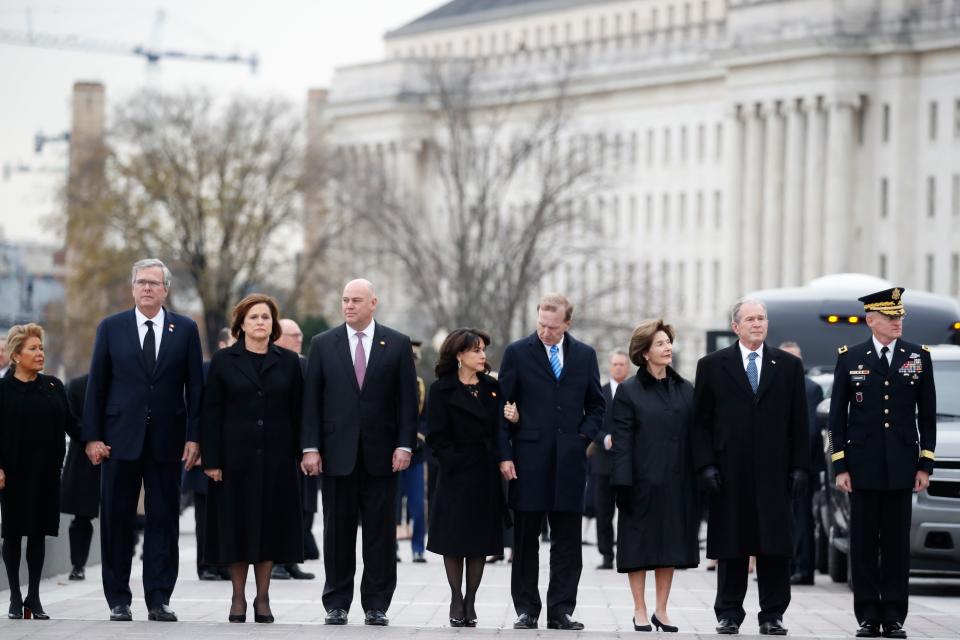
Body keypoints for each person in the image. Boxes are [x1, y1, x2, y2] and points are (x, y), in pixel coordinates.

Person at [82, 258, 204, 622]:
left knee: (164, 519)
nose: (147, 288)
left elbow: (195, 388)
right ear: (132, 287)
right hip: (119, 440)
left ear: (166, 289)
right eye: (140, 282)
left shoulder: (184, 329)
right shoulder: (111, 327)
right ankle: (118, 598)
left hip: (168, 440)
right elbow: (97, 385)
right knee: (117, 519)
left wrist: (195, 437)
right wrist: (92, 437)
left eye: (154, 282)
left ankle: (159, 597)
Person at [300, 278, 419, 627]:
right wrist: (310, 447)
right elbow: (312, 402)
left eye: (356, 300)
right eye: (345, 300)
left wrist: (404, 444)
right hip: (336, 455)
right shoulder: (323, 343)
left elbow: (407, 402)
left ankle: (376, 604)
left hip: (383, 456)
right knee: (337, 532)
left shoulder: (396, 344)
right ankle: (336, 602)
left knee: (381, 534)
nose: (349, 305)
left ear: (373, 303)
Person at [691, 298, 810, 636]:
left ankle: (772, 614)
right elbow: (700, 423)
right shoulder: (712, 365)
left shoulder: (787, 366)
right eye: (751, 319)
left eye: (762, 318)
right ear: (736, 327)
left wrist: (801, 466)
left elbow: (799, 421)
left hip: (775, 472)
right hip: (729, 472)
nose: (758, 324)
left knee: (774, 546)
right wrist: (705, 466)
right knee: (732, 545)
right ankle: (728, 613)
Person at [828, 287, 936, 639]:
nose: (898, 323)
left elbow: (928, 416)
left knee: (894, 545)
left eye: (900, 317)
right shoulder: (850, 357)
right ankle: (867, 616)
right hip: (861, 467)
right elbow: (835, 421)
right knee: (862, 544)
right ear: (871, 320)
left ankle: (893, 615)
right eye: (891, 318)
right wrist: (840, 466)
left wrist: (925, 464)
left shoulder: (918, 357)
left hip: (902, 467)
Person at [497, 293, 605, 631]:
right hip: (528, 461)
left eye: (552, 326)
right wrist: (504, 454)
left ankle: (561, 610)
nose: (545, 331)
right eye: (541, 324)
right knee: (526, 540)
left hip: (570, 463)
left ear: (567, 324)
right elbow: (502, 407)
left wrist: (581, 439)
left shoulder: (585, 356)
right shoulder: (517, 353)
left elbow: (597, 406)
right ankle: (527, 609)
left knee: (568, 542)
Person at [201, 294, 305, 624]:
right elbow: (210, 413)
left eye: (266, 317)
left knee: (269, 528)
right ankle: (237, 597)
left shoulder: (289, 362)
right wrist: (212, 460)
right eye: (254, 317)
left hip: (277, 460)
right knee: (236, 527)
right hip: (234, 461)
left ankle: (262, 597)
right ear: (241, 324)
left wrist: (303, 452)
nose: (261, 322)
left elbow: (299, 412)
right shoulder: (223, 361)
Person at [610, 320, 699, 632]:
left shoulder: (685, 388)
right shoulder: (629, 391)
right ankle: (640, 609)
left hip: (677, 482)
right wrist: (622, 482)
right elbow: (621, 441)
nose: (667, 348)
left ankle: (662, 609)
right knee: (638, 548)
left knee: (668, 547)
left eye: (668, 342)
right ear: (645, 352)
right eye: (660, 344)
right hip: (640, 482)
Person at [426, 328, 513, 627]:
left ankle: (471, 601)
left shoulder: (491, 387)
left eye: (483, 350)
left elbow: (501, 428)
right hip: (454, 473)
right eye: (476, 350)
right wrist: (454, 461)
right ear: (459, 354)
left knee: (479, 541)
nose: (482, 355)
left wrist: (513, 420)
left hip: (486, 473)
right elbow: (435, 435)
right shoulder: (441, 390)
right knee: (454, 539)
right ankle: (455, 597)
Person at [0, 323, 78, 619]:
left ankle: (33, 596)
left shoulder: (53, 386)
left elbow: (72, 424)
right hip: (13, 475)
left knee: (38, 534)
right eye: (33, 348)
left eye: (41, 348)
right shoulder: (3, 390)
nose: (40, 353)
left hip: (46, 474)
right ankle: (15, 598)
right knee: (12, 533)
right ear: (16, 355)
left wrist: (96, 441)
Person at [182, 327, 233, 582]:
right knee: (204, 514)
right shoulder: (205, 369)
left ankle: (222, 563)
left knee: (225, 514)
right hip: (205, 453)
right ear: (222, 344)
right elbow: (196, 410)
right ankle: (206, 565)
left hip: (230, 454)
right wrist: (198, 446)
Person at [272, 317, 317, 581]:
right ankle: (277, 560)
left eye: (300, 334)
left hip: (306, 446)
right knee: (282, 507)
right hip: (282, 447)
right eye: (293, 334)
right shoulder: (275, 363)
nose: (299, 338)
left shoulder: (307, 363)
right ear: (278, 337)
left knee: (305, 506)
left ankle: (292, 559)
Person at [778, 341, 824, 586]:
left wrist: (797, 464)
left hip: (801, 467)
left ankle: (804, 569)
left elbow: (810, 430)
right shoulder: (777, 385)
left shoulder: (810, 388)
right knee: (786, 519)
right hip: (780, 466)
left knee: (802, 519)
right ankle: (789, 566)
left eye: (795, 358)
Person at [60, 373, 100, 581]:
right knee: (81, 517)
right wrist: (92, 439)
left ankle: (120, 561)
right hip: (83, 456)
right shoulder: (77, 385)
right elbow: (71, 419)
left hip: (119, 453)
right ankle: (78, 564)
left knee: (121, 516)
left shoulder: (125, 382)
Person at [593, 349, 630, 570]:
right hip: (603, 463)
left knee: (628, 512)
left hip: (628, 463)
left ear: (628, 367)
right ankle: (606, 555)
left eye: (622, 364)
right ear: (610, 366)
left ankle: (626, 554)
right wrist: (605, 439)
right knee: (603, 513)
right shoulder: (600, 392)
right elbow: (591, 422)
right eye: (615, 364)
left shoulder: (635, 391)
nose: (618, 368)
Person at [397, 339, 427, 564]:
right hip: (391, 453)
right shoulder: (390, 382)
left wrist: (418, 437)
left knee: (417, 506)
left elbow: (426, 418)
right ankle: (392, 548)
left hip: (416, 454)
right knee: (392, 505)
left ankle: (418, 548)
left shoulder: (420, 385)